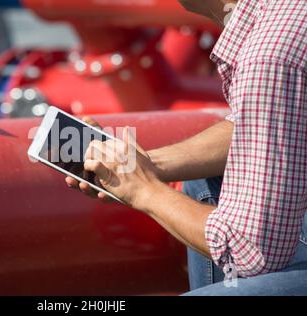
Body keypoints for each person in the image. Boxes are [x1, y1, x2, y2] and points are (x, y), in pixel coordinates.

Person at [66, 0, 307, 295]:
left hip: (253, 246)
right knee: (203, 185)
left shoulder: (270, 56)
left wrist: (143, 190)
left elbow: (250, 250)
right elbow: (261, 124)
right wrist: (145, 166)